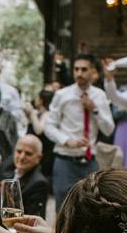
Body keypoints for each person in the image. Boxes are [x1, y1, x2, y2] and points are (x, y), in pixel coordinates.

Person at [46, 53, 115, 209]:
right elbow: (49, 126)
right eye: (76, 69)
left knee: (91, 208)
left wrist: (94, 109)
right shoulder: (62, 95)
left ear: (92, 71)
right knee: (63, 209)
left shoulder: (99, 96)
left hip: (90, 162)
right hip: (65, 160)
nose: (79, 73)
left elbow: (109, 130)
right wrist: (67, 141)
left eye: (84, 69)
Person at [11, 135, 49, 217]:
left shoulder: (39, 183)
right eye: (19, 151)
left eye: (28, 153)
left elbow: (31, 220)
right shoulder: (6, 170)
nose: (21, 157)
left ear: (39, 158)